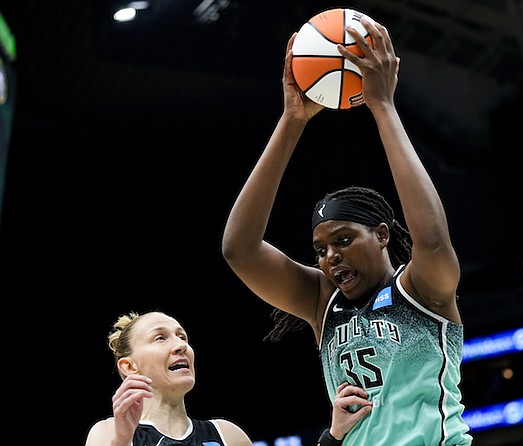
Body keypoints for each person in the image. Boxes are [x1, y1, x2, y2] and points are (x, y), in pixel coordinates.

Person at [222, 15, 473, 446]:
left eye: (342, 240)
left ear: (381, 234)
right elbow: (239, 250)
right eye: (319, 250)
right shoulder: (324, 302)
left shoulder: (423, 289)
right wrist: (292, 121)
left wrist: (383, 106)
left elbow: (431, 239)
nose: (329, 257)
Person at [84, 311, 254, 446]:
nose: (181, 346)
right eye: (160, 338)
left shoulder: (228, 435)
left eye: (182, 337)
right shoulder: (107, 433)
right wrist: (121, 442)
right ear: (129, 367)